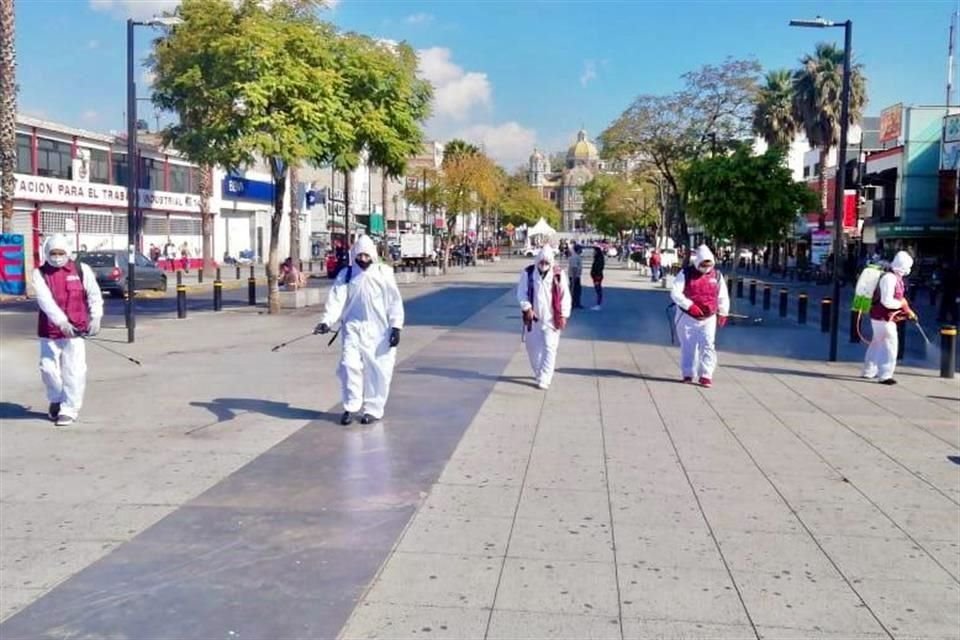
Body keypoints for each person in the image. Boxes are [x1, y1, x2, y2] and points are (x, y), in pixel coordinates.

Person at [314, 236, 404, 425]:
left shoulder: (383, 272)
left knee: (377, 370)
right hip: (353, 328)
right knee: (349, 365)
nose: (363, 259)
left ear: (372, 254)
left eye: (366, 255)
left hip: (379, 329)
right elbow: (336, 300)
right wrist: (326, 321)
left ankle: (373, 409)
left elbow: (394, 301)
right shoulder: (346, 275)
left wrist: (396, 326)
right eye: (359, 255)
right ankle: (351, 406)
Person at [31, 234, 104, 426]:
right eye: (53, 253)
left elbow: (94, 295)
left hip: (76, 331)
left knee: (74, 371)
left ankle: (69, 409)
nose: (56, 257)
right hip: (50, 331)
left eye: (60, 253)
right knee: (48, 370)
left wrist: (96, 316)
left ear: (68, 252)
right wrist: (62, 322)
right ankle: (56, 399)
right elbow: (45, 301)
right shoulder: (39, 274)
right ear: (47, 253)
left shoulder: (81, 270)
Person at [670, 245, 729, 388]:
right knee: (688, 345)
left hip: (708, 317)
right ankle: (688, 373)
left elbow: (723, 296)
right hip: (687, 316)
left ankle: (706, 375)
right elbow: (675, 293)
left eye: (709, 265)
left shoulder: (717, 276)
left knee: (708, 344)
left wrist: (723, 312)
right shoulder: (686, 273)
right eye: (703, 265)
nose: (706, 268)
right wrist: (689, 305)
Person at [517, 245, 571, 390]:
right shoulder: (528, 273)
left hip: (552, 318)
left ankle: (545, 377)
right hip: (533, 319)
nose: (544, 265)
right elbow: (521, 293)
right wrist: (527, 307)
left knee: (550, 348)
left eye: (547, 263)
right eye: (541, 262)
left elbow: (565, 296)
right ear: (537, 261)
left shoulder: (559, 275)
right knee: (532, 348)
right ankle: (539, 372)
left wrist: (564, 315)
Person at [862, 251, 916, 385]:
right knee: (890, 346)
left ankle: (869, 371)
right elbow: (886, 301)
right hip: (883, 317)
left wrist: (905, 308)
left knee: (877, 342)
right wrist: (901, 304)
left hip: (881, 316)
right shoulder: (890, 278)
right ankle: (885, 375)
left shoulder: (895, 278)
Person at [568, 244, 584, 309]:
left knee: (577, 290)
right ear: (577, 250)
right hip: (574, 276)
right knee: (573, 290)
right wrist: (574, 279)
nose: (581, 250)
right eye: (580, 249)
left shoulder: (577, 256)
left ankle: (577, 303)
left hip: (577, 276)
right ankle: (572, 304)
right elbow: (574, 268)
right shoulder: (574, 257)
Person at [590, 246, 605, 311]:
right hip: (596, 276)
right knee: (598, 290)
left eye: (594, 251)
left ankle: (598, 304)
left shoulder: (599, 259)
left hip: (597, 276)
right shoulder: (597, 258)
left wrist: (596, 276)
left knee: (598, 290)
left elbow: (598, 268)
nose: (593, 252)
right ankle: (598, 304)